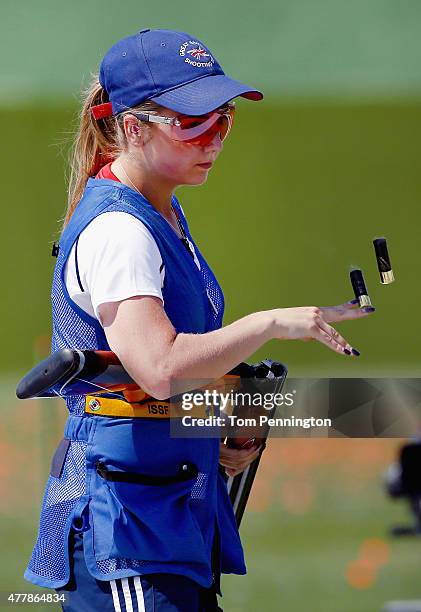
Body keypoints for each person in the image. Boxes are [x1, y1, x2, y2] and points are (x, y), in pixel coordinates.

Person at [23, 28, 374, 612]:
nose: (213, 138)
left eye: (223, 120)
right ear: (132, 127)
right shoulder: (120, 230)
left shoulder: (162, 205)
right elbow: (160, 370)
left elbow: (169, 378)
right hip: (127, 531)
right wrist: (266, 324)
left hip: (162, 516)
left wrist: (233, 422)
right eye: (191, 122)